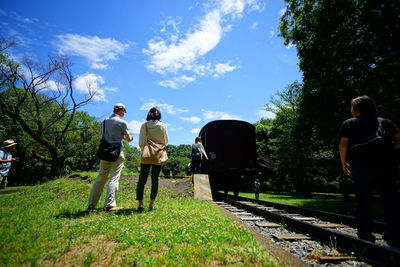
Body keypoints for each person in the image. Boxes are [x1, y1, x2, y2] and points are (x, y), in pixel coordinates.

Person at [338, 95, 400, 246]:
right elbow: (398, 139)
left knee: (363, 201)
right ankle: (394, 234)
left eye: (352, 107)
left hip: (362, 167)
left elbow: (343, 144)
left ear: (357, 109)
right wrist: (391, 150)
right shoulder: (385, 122)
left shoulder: (349, 123)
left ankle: (365, 234)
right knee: (390, 200)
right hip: (386, 167)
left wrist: (344, 162)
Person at [88, 103, 133, 212]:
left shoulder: (104, 121)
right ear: (122, 110)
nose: (124, 114)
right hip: (117, 153)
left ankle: (91, 205)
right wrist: (129, 137)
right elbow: (128, 138)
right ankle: (109, 205)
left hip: (104, 152)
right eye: (124, 112)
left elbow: (104, 134)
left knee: (100, 178)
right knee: (114, 178)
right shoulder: (122, 122)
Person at [136, 107, 168, 212]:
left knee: (142, 179)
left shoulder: (144, 125)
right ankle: (151, 204)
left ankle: (140, 204)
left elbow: (141, 142)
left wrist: (146, 149)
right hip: (158, 155)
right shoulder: (163, 126)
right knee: (155, 179)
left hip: (146, 154)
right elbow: (165, 141)